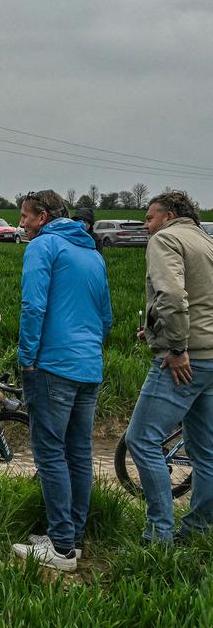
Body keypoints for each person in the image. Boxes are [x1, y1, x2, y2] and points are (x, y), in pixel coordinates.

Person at [11, 189, 112, 571]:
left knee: (51, 452)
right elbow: (105, 318)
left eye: (25, 216)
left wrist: (28, 358)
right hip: (89, 366)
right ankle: (72, 537)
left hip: (52, 364)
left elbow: (33, 304)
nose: (21, 223)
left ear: (43, 216)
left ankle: (61, 548)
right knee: (78, 452)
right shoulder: (92, 254)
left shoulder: (43, 247)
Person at [126, 191, 213, 544]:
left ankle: (158, 533)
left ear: (169, 215)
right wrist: (156, 327)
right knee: (205, 451)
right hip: (211, 356)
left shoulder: (167, 239)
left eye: (149, 218)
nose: (146, 226)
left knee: (142, 439)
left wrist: (176, 346)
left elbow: (173, 295)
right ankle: (198, 531)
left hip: (184, 359)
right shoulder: (206, 241)